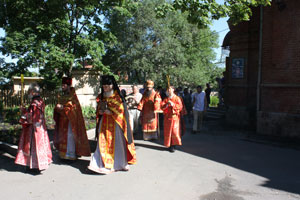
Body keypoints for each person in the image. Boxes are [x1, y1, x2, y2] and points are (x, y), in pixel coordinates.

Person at [88, 75, 136, 175]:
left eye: (107, 85)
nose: (105, 87)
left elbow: (121, 110)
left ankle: (118, 164)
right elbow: (98, 109)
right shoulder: (101, 96)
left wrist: (111, 112)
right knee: (103, 142)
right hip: (104, 124)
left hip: (116, 125)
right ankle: (100, 164)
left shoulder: (117, 97)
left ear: (112, 85)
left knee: (117, 144)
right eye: (103, 85)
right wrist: (100, 112)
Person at [15, 83, 52, 172]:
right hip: (41, 127)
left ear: (33, 92)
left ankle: (35, 166)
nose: (29, 93)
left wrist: (23, 112)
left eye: (29, 91)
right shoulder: (41, 101)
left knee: (33, 146)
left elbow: (31, 117)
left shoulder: (34, 103)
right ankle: (40, 164)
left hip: (34, 129)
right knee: (40, 146)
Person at [53, 77, 91, 160]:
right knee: (63, 136)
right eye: (62, 85)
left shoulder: (73, 96)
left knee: (70, 136)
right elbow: (58, 106)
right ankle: (63, 154)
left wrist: (63, 108)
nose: (62, 87)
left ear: (69, 86)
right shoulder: (62, 96)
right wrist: (57, 108)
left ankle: (71, 155)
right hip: (63, 120)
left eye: (64, 85)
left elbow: (73, 108)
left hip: (70, 121)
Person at [161, 86, 183, 152]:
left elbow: (180, 107)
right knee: (168, 132)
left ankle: (173, 145)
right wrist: (167, 105)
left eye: (170, 89)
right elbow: (162, 106)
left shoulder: (177, 98)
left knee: (174, 132)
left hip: (174, 118)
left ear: (173, 90)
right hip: (167, 118)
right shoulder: (166, 99)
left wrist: (173, 104)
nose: (169, 90)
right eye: (168, 89)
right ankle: (169, 144)